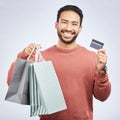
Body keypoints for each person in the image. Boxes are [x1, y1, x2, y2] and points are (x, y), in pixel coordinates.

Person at [7, 5, 111, 120]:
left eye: (74, 24)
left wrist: (101, 71)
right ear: (56, 24)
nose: (68, 28)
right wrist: (23, 56)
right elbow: (13, 83)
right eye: (64, 22)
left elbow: (102, 97)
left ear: (80, 28)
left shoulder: (92, 58)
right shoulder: (41, 58)